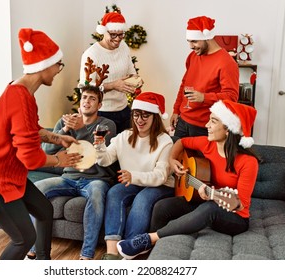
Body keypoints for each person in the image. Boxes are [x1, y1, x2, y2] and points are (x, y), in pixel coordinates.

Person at [0, 28, 81, 260]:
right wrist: (60, 160)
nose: (59, 70)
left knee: (44, 210)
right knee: (23, 238)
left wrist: (58, 138)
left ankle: (43, 263)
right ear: (44, 65)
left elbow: (30, 129)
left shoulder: (24, 92)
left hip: (9, 174)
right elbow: (30, 158)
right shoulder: (19, 97)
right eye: (58, 64)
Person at [117, 100, 260, 260]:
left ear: (228, 129)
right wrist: (172, 160)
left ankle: (149, 239)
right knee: (162, 207)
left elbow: (241, 203)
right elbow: (180, 142)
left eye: (213, 121)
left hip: (235, 216)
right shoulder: (207, 144)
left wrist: (212, 195)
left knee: (209, 209)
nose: (207, 125)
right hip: (205, 199)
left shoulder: (248, 162)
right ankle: (153, 254)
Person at [27, 80, 117, 260]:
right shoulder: (65, 120)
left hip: (95, 180)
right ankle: (34, 246)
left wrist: (82, 129)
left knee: (97, 195)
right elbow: (47, 151)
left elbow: (98, 155)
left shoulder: (107, 125)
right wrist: (65, 130)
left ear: (99, 105)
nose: (87, 101)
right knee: (35, 191)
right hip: (68, 177)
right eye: (84, 97)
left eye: (92, 99)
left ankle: (87, 253)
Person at [95, 92, 175, 260]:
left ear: (155, 117)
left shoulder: (165, 141)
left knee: (142, 199)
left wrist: (133, 176)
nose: (140, 119)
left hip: (161, 185)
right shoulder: (125, 136)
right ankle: (112, 252)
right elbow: (105, 160)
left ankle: (129, 249)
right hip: (133, 181)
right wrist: (100, 146)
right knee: (114, 192)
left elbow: (160, 175)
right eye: (136, 114)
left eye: (145, 115)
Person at [170, 16, 239, 140]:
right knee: (176, 157)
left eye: (195, 41)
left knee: (199, 160)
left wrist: (204, 97)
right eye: (189, 41)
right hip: (183, 121)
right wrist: (176, 110)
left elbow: (232, 97)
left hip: (204, 126)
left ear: (207, 38)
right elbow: (184, 84)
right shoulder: (193, 56)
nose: (191, 46)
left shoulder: (227, 63)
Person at [80, 11, 140, 134]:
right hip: (102, 113)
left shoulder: (123, 47)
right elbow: (85, 88)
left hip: (123, 109)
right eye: (113, 35)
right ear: (103, 32)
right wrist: (112, 85)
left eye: (121, 35)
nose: (117, 39)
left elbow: (131, 70)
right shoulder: (91, 54)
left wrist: (135, 81)